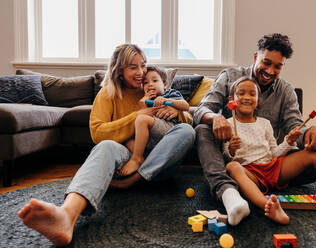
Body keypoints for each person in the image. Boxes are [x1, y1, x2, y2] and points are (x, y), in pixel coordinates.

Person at [17, 44, 195, 246]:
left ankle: (134, 179)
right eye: (132, 67)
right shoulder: (108, 94)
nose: (141, 72)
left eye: (143, 65)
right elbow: (97, 133)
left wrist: (178, 113)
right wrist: (137, 116)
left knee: (187, 131)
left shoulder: (152, 85)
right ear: (119, 70)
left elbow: (188, 118)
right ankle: (66, 215)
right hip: (127, 158)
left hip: (161, 162)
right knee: (105, 147)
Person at [193, 33, 316, 226]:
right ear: (255, 57)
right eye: (266, 62)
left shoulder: (285, 90)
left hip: (268, 163)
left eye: (277, 66)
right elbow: (201, 110)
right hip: (231, 162)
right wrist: (216, 117)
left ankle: (251, 186)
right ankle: (228, 191)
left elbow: (295, 126)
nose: (270, 70)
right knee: (203, 128)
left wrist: (311, 132)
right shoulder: (229, 76)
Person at [224, 76, 316, 224]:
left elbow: (274, 153)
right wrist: (231, 149)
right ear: (232, 99)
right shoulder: (228, 124)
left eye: (252, 94)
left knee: (313, 155)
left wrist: (289, 141)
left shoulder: (265, 124)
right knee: (233, 166)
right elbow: (226, 156)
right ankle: (268, 206)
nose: (247, 97)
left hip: (272, 168)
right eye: (241, 93)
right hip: (251, 175)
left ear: (258, 100)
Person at [117, 65, 189, 176]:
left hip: (168, 129)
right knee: (127, 139)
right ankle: (145, 162)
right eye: (145, 83)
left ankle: (136, 159)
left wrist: (167, 100)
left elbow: (185, 106)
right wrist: (142, 104)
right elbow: (142, 117)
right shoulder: (145, 98)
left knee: (142, 119)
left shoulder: (169, 93)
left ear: (164, 84)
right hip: (150, 136)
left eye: (154, 81)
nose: (150, 84)